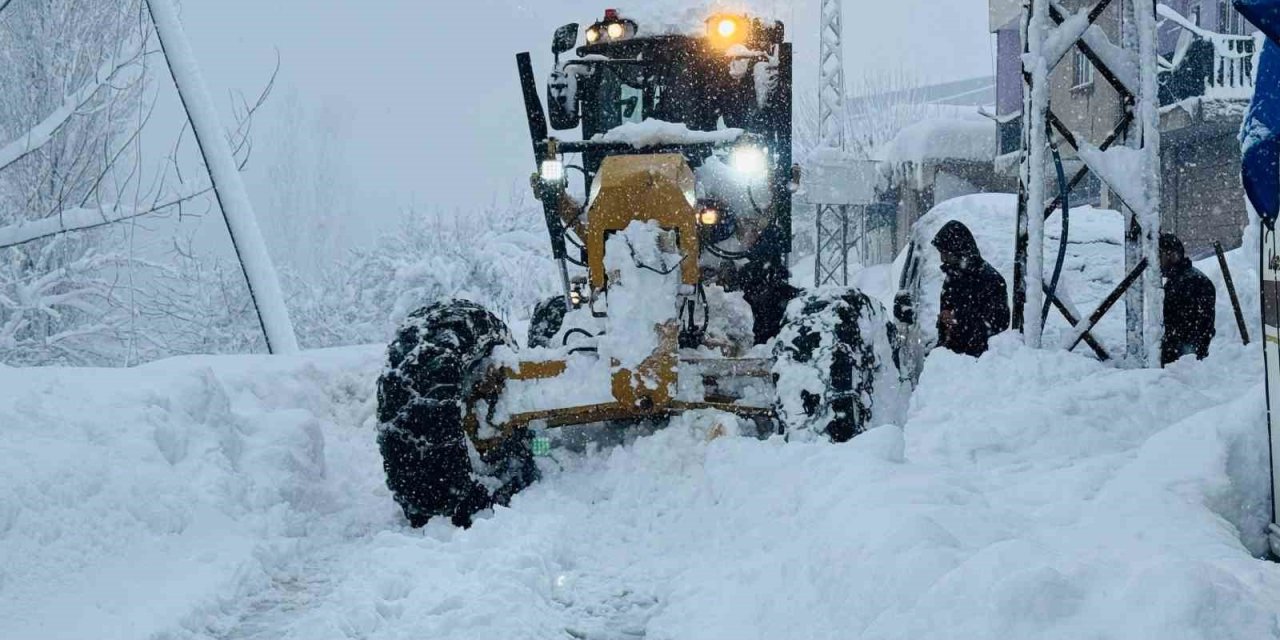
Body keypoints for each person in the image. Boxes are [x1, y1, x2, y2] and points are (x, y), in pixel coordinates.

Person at [929, 220, 1010, 357]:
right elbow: (948, 313)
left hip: (981, 363)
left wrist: (958, 322)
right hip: (952, 360)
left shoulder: (991, 281)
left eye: (946, 253)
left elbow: (998, 326)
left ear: (958, 250)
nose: (942, 259)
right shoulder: (953, 277)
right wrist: (945, 322)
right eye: (941, 253)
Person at [1159, 233, 1216, 366]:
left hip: (1185, 360)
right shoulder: (1177, 280)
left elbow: (1198, 326)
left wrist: (1173, 351)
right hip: (1180, 356)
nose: (1158, 262)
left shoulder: (1192, 282)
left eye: (1160, 256)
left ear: (1172, 255)